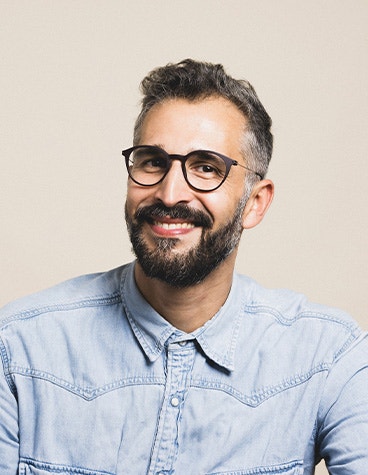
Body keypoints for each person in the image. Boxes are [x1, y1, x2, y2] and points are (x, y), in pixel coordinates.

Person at [0, 59, 367, 475]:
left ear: (256, 202)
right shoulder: (17, 346)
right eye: (152, 161)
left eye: (206, 168)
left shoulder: (329, 357)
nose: (170, 193)